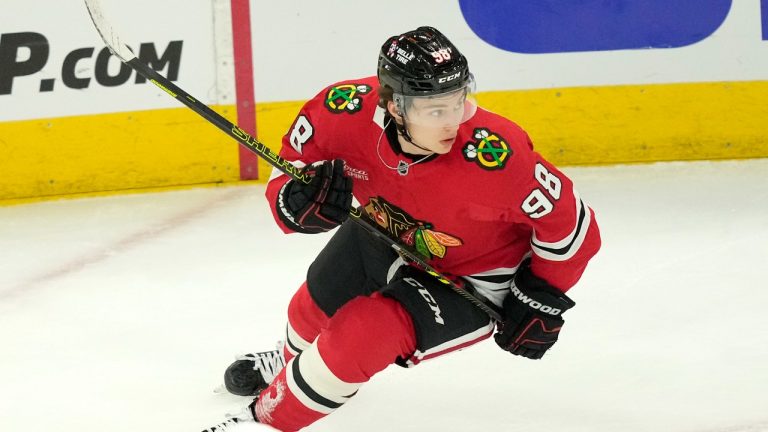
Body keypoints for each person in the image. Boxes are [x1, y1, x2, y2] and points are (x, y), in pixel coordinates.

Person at [209, 26, 601, 431]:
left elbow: (575, 229)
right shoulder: (340, 110)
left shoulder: (496, 156)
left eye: (458, 103)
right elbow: (289, 167)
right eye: (435, 111)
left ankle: (265, 421)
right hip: (386, 229)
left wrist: (539, 295)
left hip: (474, 277)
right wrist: (294, 203)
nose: (453, 122)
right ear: (395, 107)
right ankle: (291, 366)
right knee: (313, 301)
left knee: (361, 334)